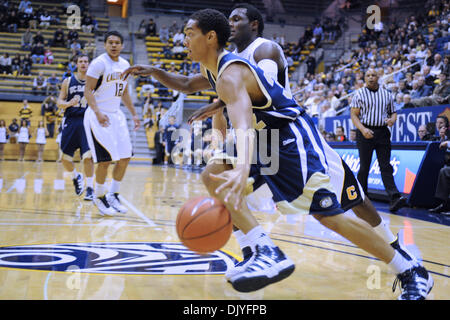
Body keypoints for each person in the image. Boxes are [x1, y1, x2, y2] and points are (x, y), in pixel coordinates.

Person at [122, 9, 433, 299]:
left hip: (288, 136)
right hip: (263, 138)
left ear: (210, 38)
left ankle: (410, 270)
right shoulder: (215, 68)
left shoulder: (233, 72)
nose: (183, 39)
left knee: (329, 215)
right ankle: (260, 250)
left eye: (189, 33)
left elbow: (242, 122)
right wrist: (154, 71)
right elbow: (188, 84)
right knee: (212, 174)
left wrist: (242, 166)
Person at [84, 31, 140, 216]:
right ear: (105, 44)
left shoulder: (125, 65)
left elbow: (123, 93)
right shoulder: (99, 63)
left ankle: (113, 194)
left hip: (117, 115)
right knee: (105, 160)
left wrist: (134, 114)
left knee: (125, 158)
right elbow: (88, 90)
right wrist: (98, 112)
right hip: (97, 114)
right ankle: (99, 196)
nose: (114, 45)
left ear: (122, 45)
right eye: (110, 42)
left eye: (117, 42)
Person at [350, 68, 408, 213]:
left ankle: (395, 197)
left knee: (385, 166)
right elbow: (354, 115)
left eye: (373, 75)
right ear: (364, 78)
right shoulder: (360, 93)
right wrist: (363, 130)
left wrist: (392, 120)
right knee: (364, 167)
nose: (370, 77)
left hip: (382, 132)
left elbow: (393, 112)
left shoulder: (386, 94)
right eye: (368, 75)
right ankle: (362, 199)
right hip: (365, 131)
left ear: (378, 77)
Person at [57, 54, 95, 200]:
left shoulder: (94, 82)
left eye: (86, 61)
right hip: (71, 120)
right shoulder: (67, 81)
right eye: (81, 62)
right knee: (65, 159)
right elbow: (59, 101)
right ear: (76, 64)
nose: (83, 64)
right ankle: (76, 177)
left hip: (87, 121)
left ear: (89, 64)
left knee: (88, 157)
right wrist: (68, 104)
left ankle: (90, 188)